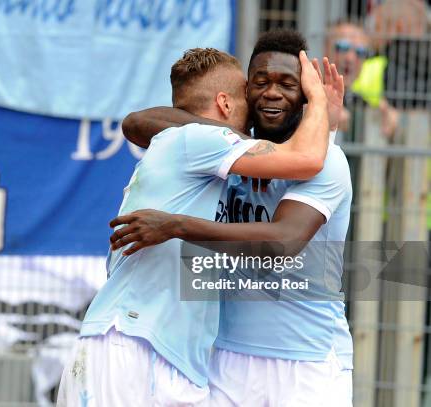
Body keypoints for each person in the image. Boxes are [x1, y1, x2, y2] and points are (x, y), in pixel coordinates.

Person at [57, 46, 334, 406]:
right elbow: (308, 159)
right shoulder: (200, 141)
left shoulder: (193, 150)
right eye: (248, 95)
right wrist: (318, 99)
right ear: (225, 103)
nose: (258, 104)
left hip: (170, 359)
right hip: (131, 345)